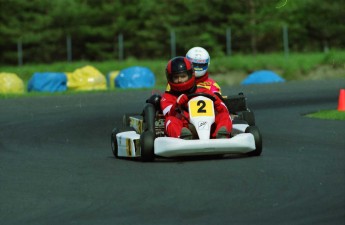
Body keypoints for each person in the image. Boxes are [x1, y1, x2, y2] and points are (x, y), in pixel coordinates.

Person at [160, 56, 232, 140]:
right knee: (170, 120)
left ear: (191, 75)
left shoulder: (204, 91)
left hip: (210, 126)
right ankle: (183, 137)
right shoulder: (168, 97)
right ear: (170, 78)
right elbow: (167, 114)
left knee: (225, 116)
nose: (179, 80)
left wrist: (217, 102)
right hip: (186, 127)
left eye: (183, 76)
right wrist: (177, 103)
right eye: (176, 77)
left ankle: (221, 135)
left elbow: (224, 109)